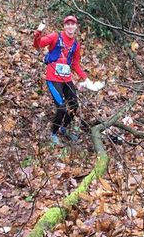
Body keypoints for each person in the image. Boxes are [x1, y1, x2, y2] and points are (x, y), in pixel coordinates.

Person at [33, 15, 99, 145]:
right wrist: (38, 34)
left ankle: (64, 128)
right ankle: (53, 133)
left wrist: (86, 79)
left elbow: (75, 64)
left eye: (72, 24)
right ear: (64, 26)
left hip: (66, 79)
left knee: (74, 105)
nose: (70, 26)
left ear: (76, 26)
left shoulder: (76, 44)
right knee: (62, 108)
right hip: (53, 78)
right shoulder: (55, 36)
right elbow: (38, 45)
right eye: (67, 24)